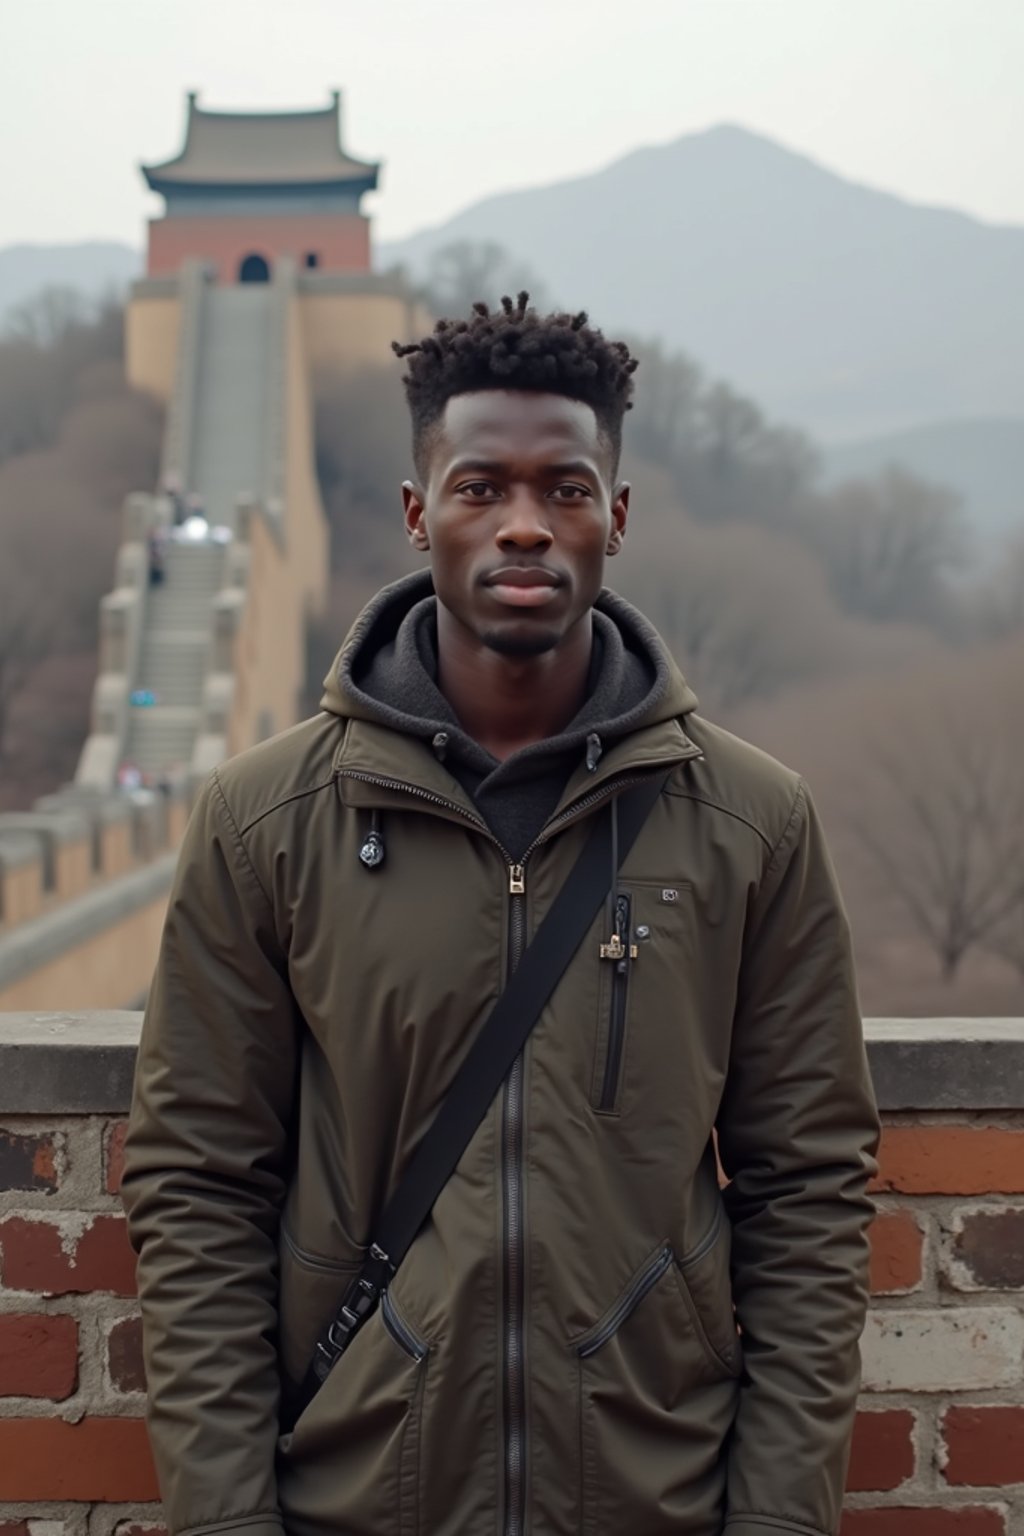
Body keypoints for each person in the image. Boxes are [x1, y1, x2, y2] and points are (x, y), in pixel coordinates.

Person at [122, 296, 880, 1536]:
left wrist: (781, 1516)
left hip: (654, 1494)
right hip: (359, 1491)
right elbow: (199, 1183)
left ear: (614, 517)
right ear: (420, 512)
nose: (524, 523)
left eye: (564, 488)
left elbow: (809, 1188)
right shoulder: (269, 820)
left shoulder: (749, 822)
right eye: (480, 487)